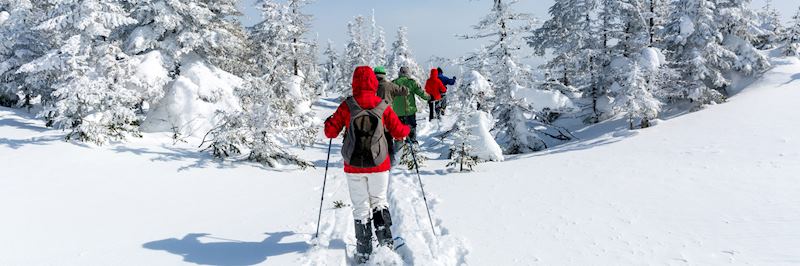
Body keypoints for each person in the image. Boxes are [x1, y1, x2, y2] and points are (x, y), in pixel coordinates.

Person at [324, 66, 410, 263]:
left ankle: (363, 253)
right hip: (379, 165)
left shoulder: (348, 105)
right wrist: (406, 128)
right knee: (379, 201)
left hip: (353, 166)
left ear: (354, 82)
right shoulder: (382, 105)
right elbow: (399, 132)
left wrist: (329, 121)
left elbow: (330, 132)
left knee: (360, 208)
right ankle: (386, 246)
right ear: (373, 82)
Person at [374, 66, 408, 165]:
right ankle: (390, 163)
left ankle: (377, 161)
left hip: (373, 118)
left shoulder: (371, 86)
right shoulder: (390, 85)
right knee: (389, 140)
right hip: (387, 117)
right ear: (384, 75)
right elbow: (405, 91)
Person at [392, 66, 430, 143]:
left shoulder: (393, 83)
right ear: (408, 73)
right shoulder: (411, 82)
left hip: (397, 112)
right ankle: (411, 146)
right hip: (409, 111)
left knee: (399, 131)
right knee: (411, 129)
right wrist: (429, 97)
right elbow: (421, 94)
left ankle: (398, 147)